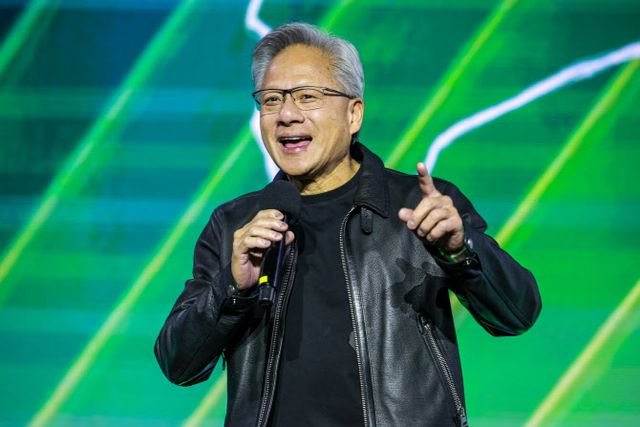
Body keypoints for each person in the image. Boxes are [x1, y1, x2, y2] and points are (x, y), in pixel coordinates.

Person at [155, 22, 541, 427]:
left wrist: (462, 253)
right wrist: (233, 288)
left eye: (307, 96)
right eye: (271, 100)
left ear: (354, 114)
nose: (286, 115)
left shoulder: (420, 207)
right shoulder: (235, 225)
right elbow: (178, 364)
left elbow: (517, 314)